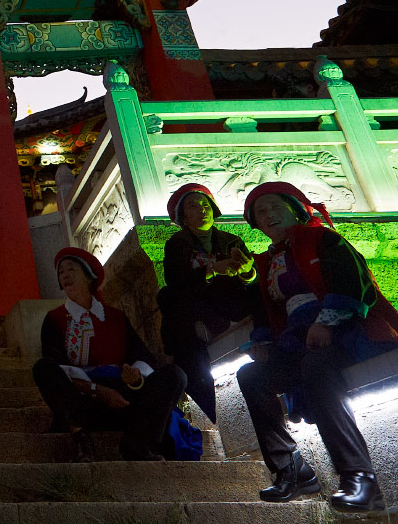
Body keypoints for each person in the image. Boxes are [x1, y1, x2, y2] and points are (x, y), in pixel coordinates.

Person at [236, 182, 398, 513]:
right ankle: (290, 468)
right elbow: (265, 311)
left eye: (275, 208)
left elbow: (352, 282)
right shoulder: (267, 263)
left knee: (317, 367)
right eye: (260, 212)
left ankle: (359, 477)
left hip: (348, 332)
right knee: (252, 376)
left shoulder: (324, 239)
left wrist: (326, 322)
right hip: (298, 341)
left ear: (295, 209)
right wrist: (263, 342)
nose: (268, 216)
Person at [34, 247, 187, 462]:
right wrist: (98, 391)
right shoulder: (55, 320)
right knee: (43, 368)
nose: (65, 275)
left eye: (71, 269)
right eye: (61, 273)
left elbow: (142, 357)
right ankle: (81, 437)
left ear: (89, 276)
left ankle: (138, 444)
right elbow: (57, 367)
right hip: (84, 404)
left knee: (175, 374)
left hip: (124, 399)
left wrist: (135, 378)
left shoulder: (116, 318)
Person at [156, 183, 256, 421]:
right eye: (193, 206)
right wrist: (211, 270)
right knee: (169, 299)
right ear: (183, 216)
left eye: (205, 204)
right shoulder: (177, 244)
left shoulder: (232, 241)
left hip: (230, 304)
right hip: (195, 308)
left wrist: (247, 272)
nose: (202, 209)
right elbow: (176, 281)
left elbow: (250, 278)